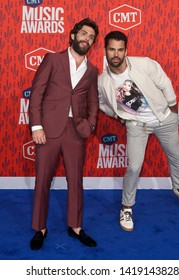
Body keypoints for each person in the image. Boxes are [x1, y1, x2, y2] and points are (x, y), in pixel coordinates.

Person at [98, 31, 179, 232]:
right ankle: (126, 207)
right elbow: (100, 103)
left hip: (163, 118)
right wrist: (117, 115)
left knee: (175, 157)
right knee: (134, 167)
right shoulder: (102, 81)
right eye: (111, 49)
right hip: (136, 124)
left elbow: (164, 81)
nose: (115, 54)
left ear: (126, 50)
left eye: (120, 49)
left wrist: (172, 107)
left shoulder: (144, 64)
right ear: (105, 51)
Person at [29, 18, 99, 249]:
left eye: (91, 37)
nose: (87, 39)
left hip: (76, 131)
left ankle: (75, 226)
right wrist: (36, 126)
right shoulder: (53, 59)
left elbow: (93, 102)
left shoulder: (91, 70)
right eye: (84, 34)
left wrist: (89, 125)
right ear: (72, 35)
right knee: (42, 180)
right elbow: (37, 93)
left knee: (76, 181)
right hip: (48, 129)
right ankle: (40, 228)